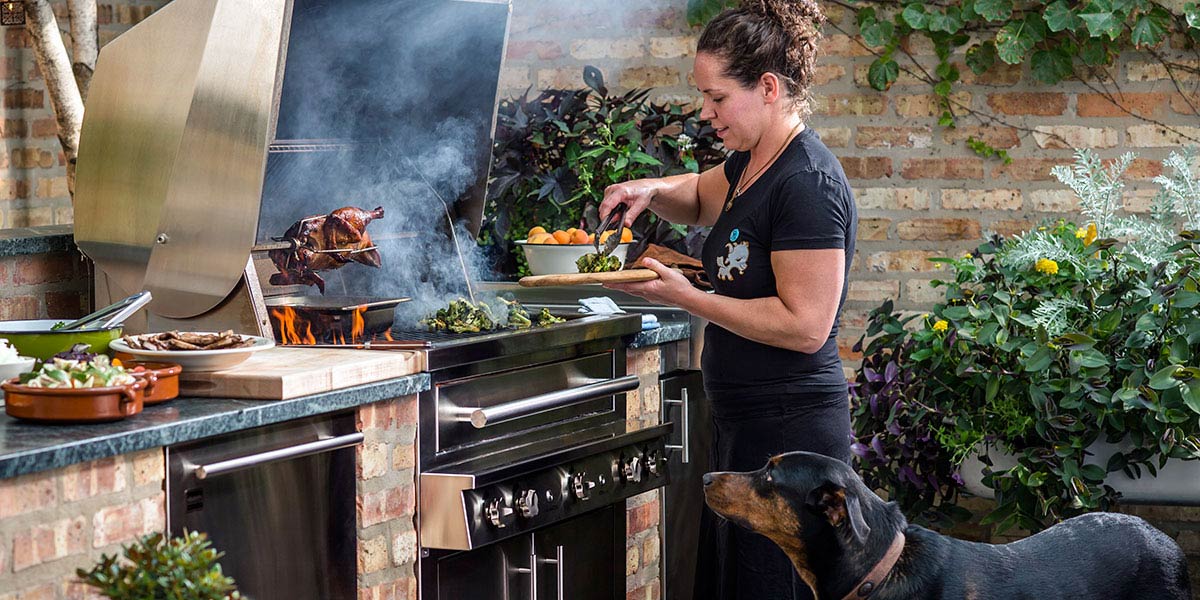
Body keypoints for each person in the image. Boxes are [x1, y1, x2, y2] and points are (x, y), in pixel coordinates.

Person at [599, 1, 856, 598]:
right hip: (745, 428)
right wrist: (649, 188)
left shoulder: (807, 183)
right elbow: (696, 195)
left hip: (791, 435)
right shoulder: (750, 162)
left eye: (717, 98)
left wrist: (690, 298)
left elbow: (806, 326)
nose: (705, 112)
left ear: (768, 87)